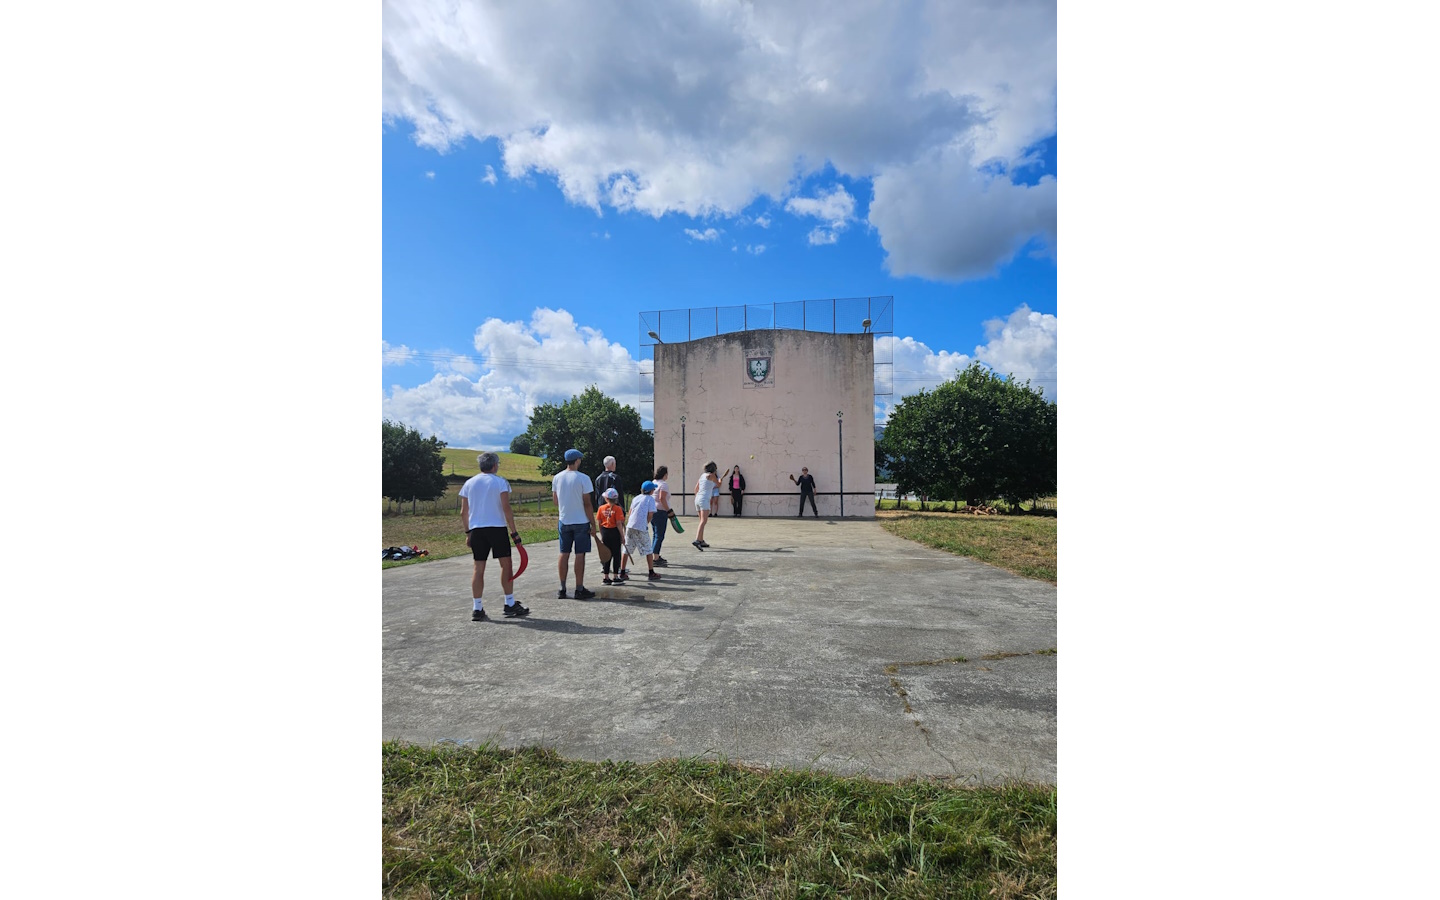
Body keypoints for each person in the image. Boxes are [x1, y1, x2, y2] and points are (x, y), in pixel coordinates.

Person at [458, 451, 528, 621]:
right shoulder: (500, 482)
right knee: (506, 565)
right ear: (494, 465)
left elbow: (463, 512)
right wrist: (514, 531)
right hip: (496, 528)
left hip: (476, 530)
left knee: (478, 568)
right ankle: (509, 603)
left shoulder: (469, 483)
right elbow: (506, 508)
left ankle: (477, 607)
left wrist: (468, 533)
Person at [552, 448, 599, 600]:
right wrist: (593, 523)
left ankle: (562, 588)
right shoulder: (583, 478)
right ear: (577, 460)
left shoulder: (557, 478)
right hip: (581, 521)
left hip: (564, 520)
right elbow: (587, 503)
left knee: (564, 553)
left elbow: (555, 501)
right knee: (580, 554)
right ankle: (579, 588)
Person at [625, 480, 663, 580]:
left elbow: (630, 511)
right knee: (648, 549)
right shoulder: (650, 499)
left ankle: (622, 571)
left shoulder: (636, 498)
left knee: (627, 549)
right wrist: (646, 523)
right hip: (641, 527)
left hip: (630, 525)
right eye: (653, 489)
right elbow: (650, 514)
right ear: (651, 491)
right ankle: (651, 572)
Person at [595, 487, 626, 585]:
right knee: (616, 554)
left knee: (606, 554)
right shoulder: (618, 509)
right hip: (615, 532)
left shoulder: (601, 508)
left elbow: (599, 523)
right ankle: (615, 576)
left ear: (606, 499)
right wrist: (622, 536)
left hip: (605, 532)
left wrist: (601, 534)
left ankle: (606, 576)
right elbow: (618, 523)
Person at [692, 461, 720, 550]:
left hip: (697, 499)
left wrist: (698, 497)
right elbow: (718, 485)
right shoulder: (712, 476)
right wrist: (720, 480)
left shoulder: (702, 476)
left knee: (701, 521)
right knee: (703, 521)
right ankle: (697, 540)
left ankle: (701, 540)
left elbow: (696, 488)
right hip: (704, 500)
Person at [650, 465, 672, 566]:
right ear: (665, 474)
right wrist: (669, 510)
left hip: (652, 510)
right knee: (660, 535)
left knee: (655, 534)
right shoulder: (663, 484)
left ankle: (655, 555)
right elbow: (662, 498)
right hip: (660, 511)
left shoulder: (654, 482)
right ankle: (655, 558)